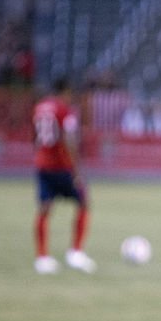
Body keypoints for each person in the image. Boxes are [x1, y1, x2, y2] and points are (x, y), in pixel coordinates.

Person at [32, 78, 95, 274]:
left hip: (43, 165)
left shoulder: (39, 108)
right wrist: (77, 169)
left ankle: (42, 257)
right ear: (66, 91)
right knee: (84, 202)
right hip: (62, 167)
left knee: (44, 208)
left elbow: (35, 137)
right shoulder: (65, 110)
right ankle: (75, 253)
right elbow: (69, 139)